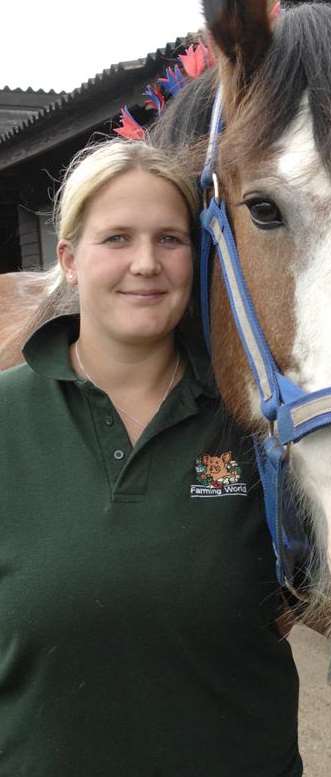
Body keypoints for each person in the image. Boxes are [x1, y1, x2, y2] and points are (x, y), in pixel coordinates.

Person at [0, 138, 302, 777]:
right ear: (69, 259)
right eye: (116, 239)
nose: (146, 263)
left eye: (170, 239)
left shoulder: (257, 422)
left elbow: (303, 595)